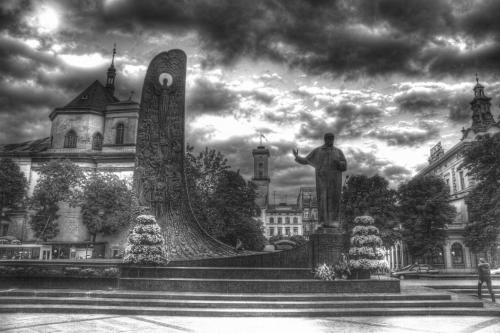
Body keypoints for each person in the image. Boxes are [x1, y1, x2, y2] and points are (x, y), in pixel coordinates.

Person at [293, 133, 347, 227]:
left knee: (334, 200)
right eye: (328, 139)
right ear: (325, 139)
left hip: (335, 181)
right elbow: (306, 160)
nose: (330, 141)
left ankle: (333, 222)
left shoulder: (338, 152)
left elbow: (344, 165)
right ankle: (322, 222)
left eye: (332, 139)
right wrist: (297, 157)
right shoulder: (318, 151)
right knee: (322, 200)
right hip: (322, 180)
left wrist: (339, 163)